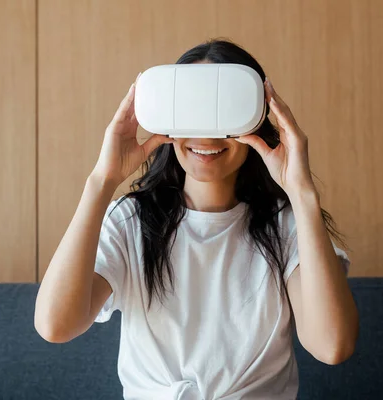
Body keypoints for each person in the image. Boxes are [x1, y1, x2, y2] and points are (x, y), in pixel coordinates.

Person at [34, 39, 359, 400]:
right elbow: (55, 325)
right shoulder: (132, 221)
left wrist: (302, 193)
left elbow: (332, 346)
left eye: (222, 114)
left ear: (255, 119)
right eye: (191, 112)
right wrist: (102, 181)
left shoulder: (288, 226)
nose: (205, 135)